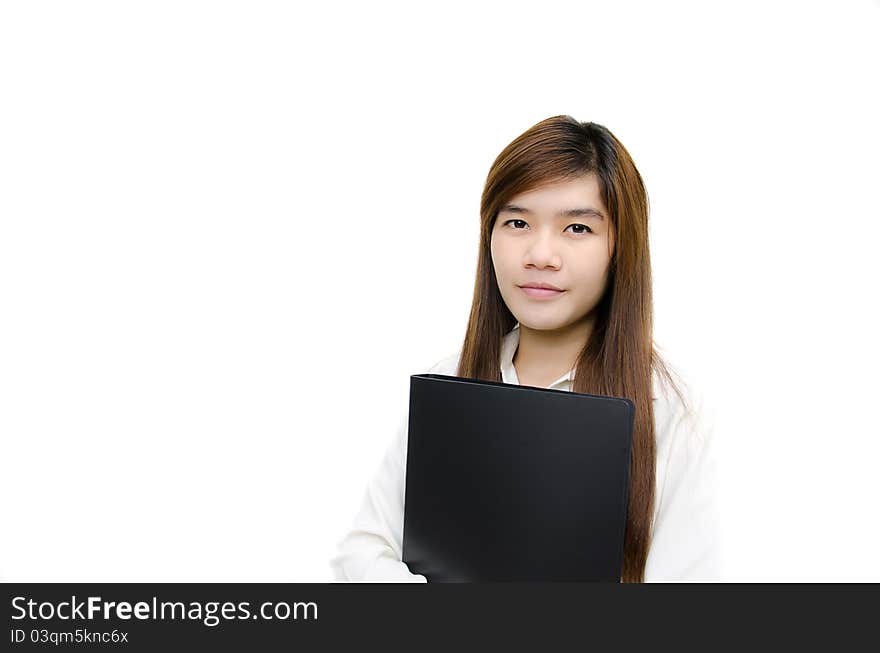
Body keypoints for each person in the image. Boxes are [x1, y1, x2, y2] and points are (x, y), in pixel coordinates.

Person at [330, 115, 721, 582]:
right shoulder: (450, 381)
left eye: (577, 229)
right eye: (517, 222)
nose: (540, 255)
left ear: (621, 247)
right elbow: (362, 553)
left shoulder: (671, 411)